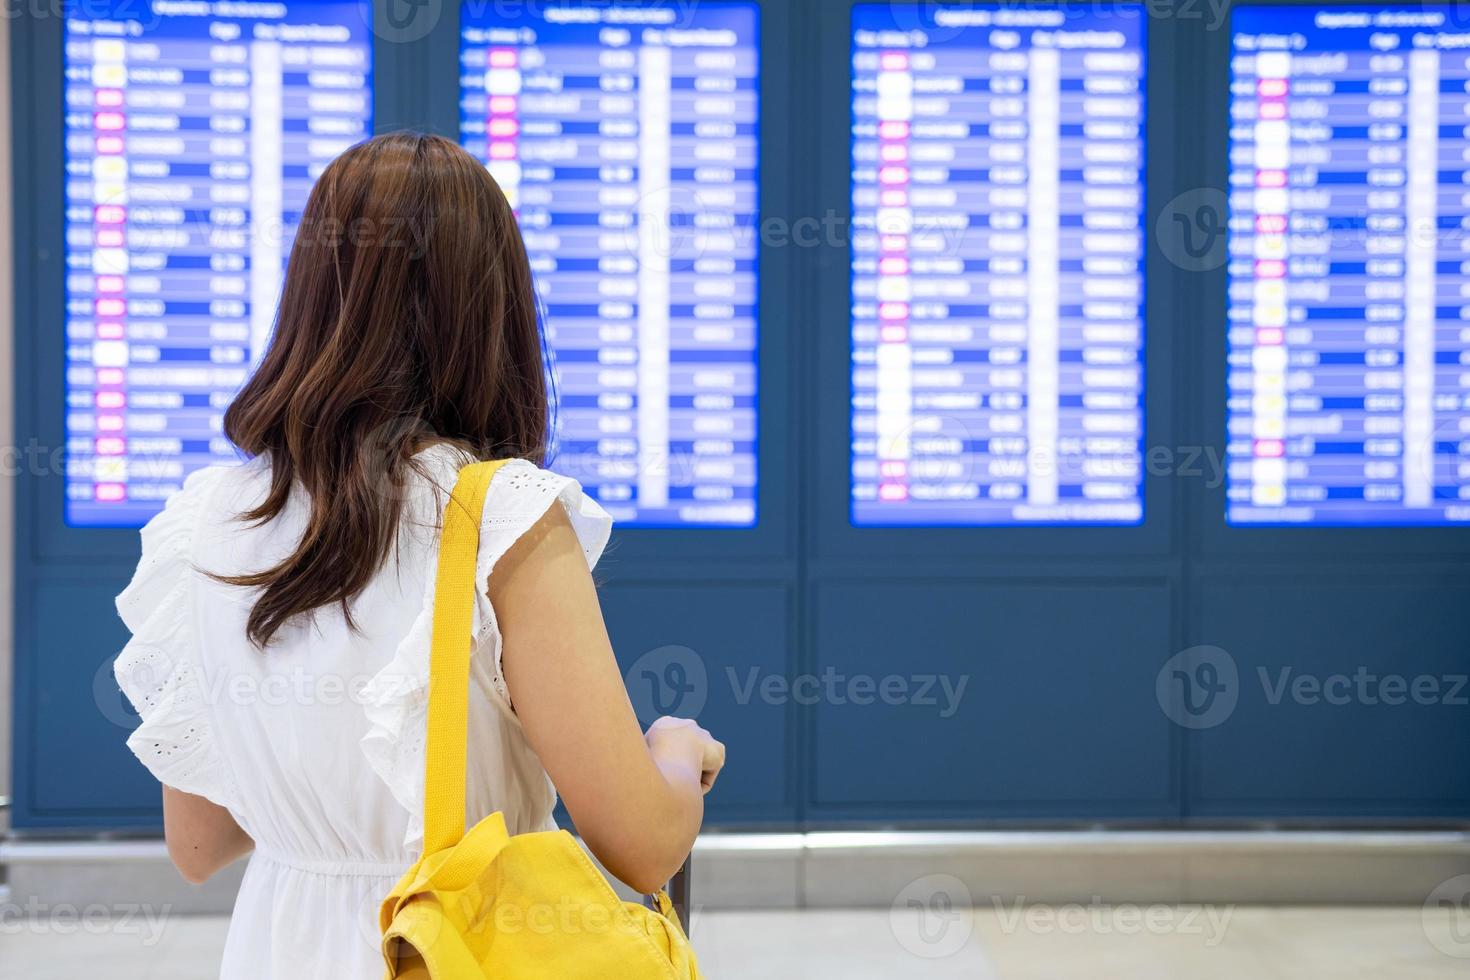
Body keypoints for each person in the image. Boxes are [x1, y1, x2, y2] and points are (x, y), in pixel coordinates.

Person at [113, 132, 725, 979]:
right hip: (456, 949)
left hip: (276, 948)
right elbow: (642, 844)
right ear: (494, 308)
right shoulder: (501, 515)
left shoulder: (204, 524)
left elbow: (199, 842)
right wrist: (678, 749)